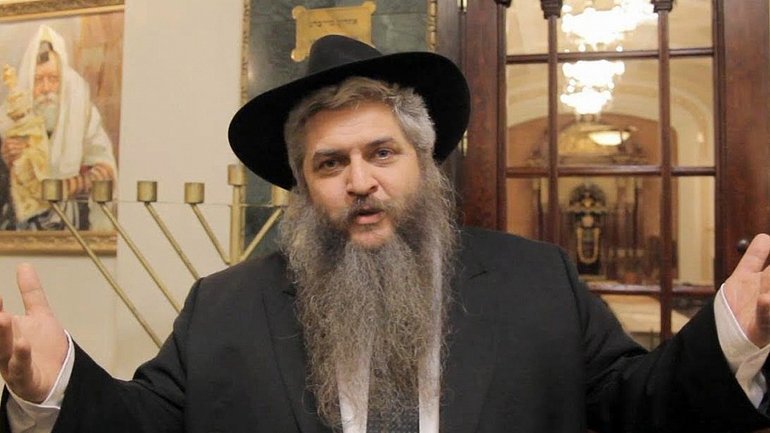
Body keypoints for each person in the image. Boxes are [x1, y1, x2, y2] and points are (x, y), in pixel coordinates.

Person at [1, 34, 770, 433]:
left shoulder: (540, 283)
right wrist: (55, 382)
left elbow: (645, 407)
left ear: (425, 162)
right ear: (304, 187)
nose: (360, 180)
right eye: (330, 163)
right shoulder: (224, 308)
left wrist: (732, 334)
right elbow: (144, 425)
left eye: (382, 152)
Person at [0, 25, 117, 231]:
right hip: (21, 228)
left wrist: (70, 185)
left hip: (74, 225)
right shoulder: (10, 118)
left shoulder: (83, 113)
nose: (46, 89)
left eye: (53, 79)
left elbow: (105, 169)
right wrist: (5, 159)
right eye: (38, 80)